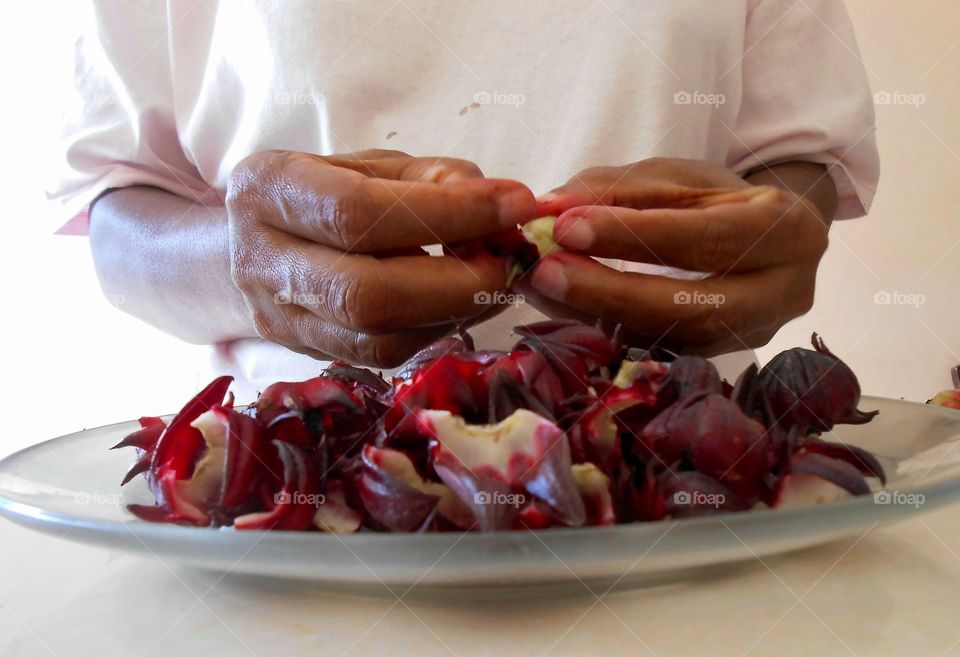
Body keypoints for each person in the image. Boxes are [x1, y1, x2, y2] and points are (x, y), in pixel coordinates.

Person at [51, 0, 878, 397]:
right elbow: (119, 209)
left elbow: (796, 159)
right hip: (303, 502)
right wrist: (247, 263)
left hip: (683, 490)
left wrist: (765, 244)